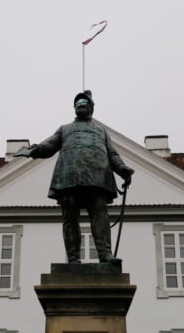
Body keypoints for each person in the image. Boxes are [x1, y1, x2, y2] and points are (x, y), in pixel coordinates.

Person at [14, 90, 134, 264]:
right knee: (70, 219)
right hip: (68, 178)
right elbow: (49, 145)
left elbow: (112, 154)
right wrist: (35, 150)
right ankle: (73, 258)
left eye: (84, 102)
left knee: (100, 215)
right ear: (74, 108)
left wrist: (123, 169)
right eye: (78, 103)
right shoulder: (65, 129)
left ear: (91, 107)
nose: (80, 105)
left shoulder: (101, 131)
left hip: (97, 178)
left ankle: (105, 254)